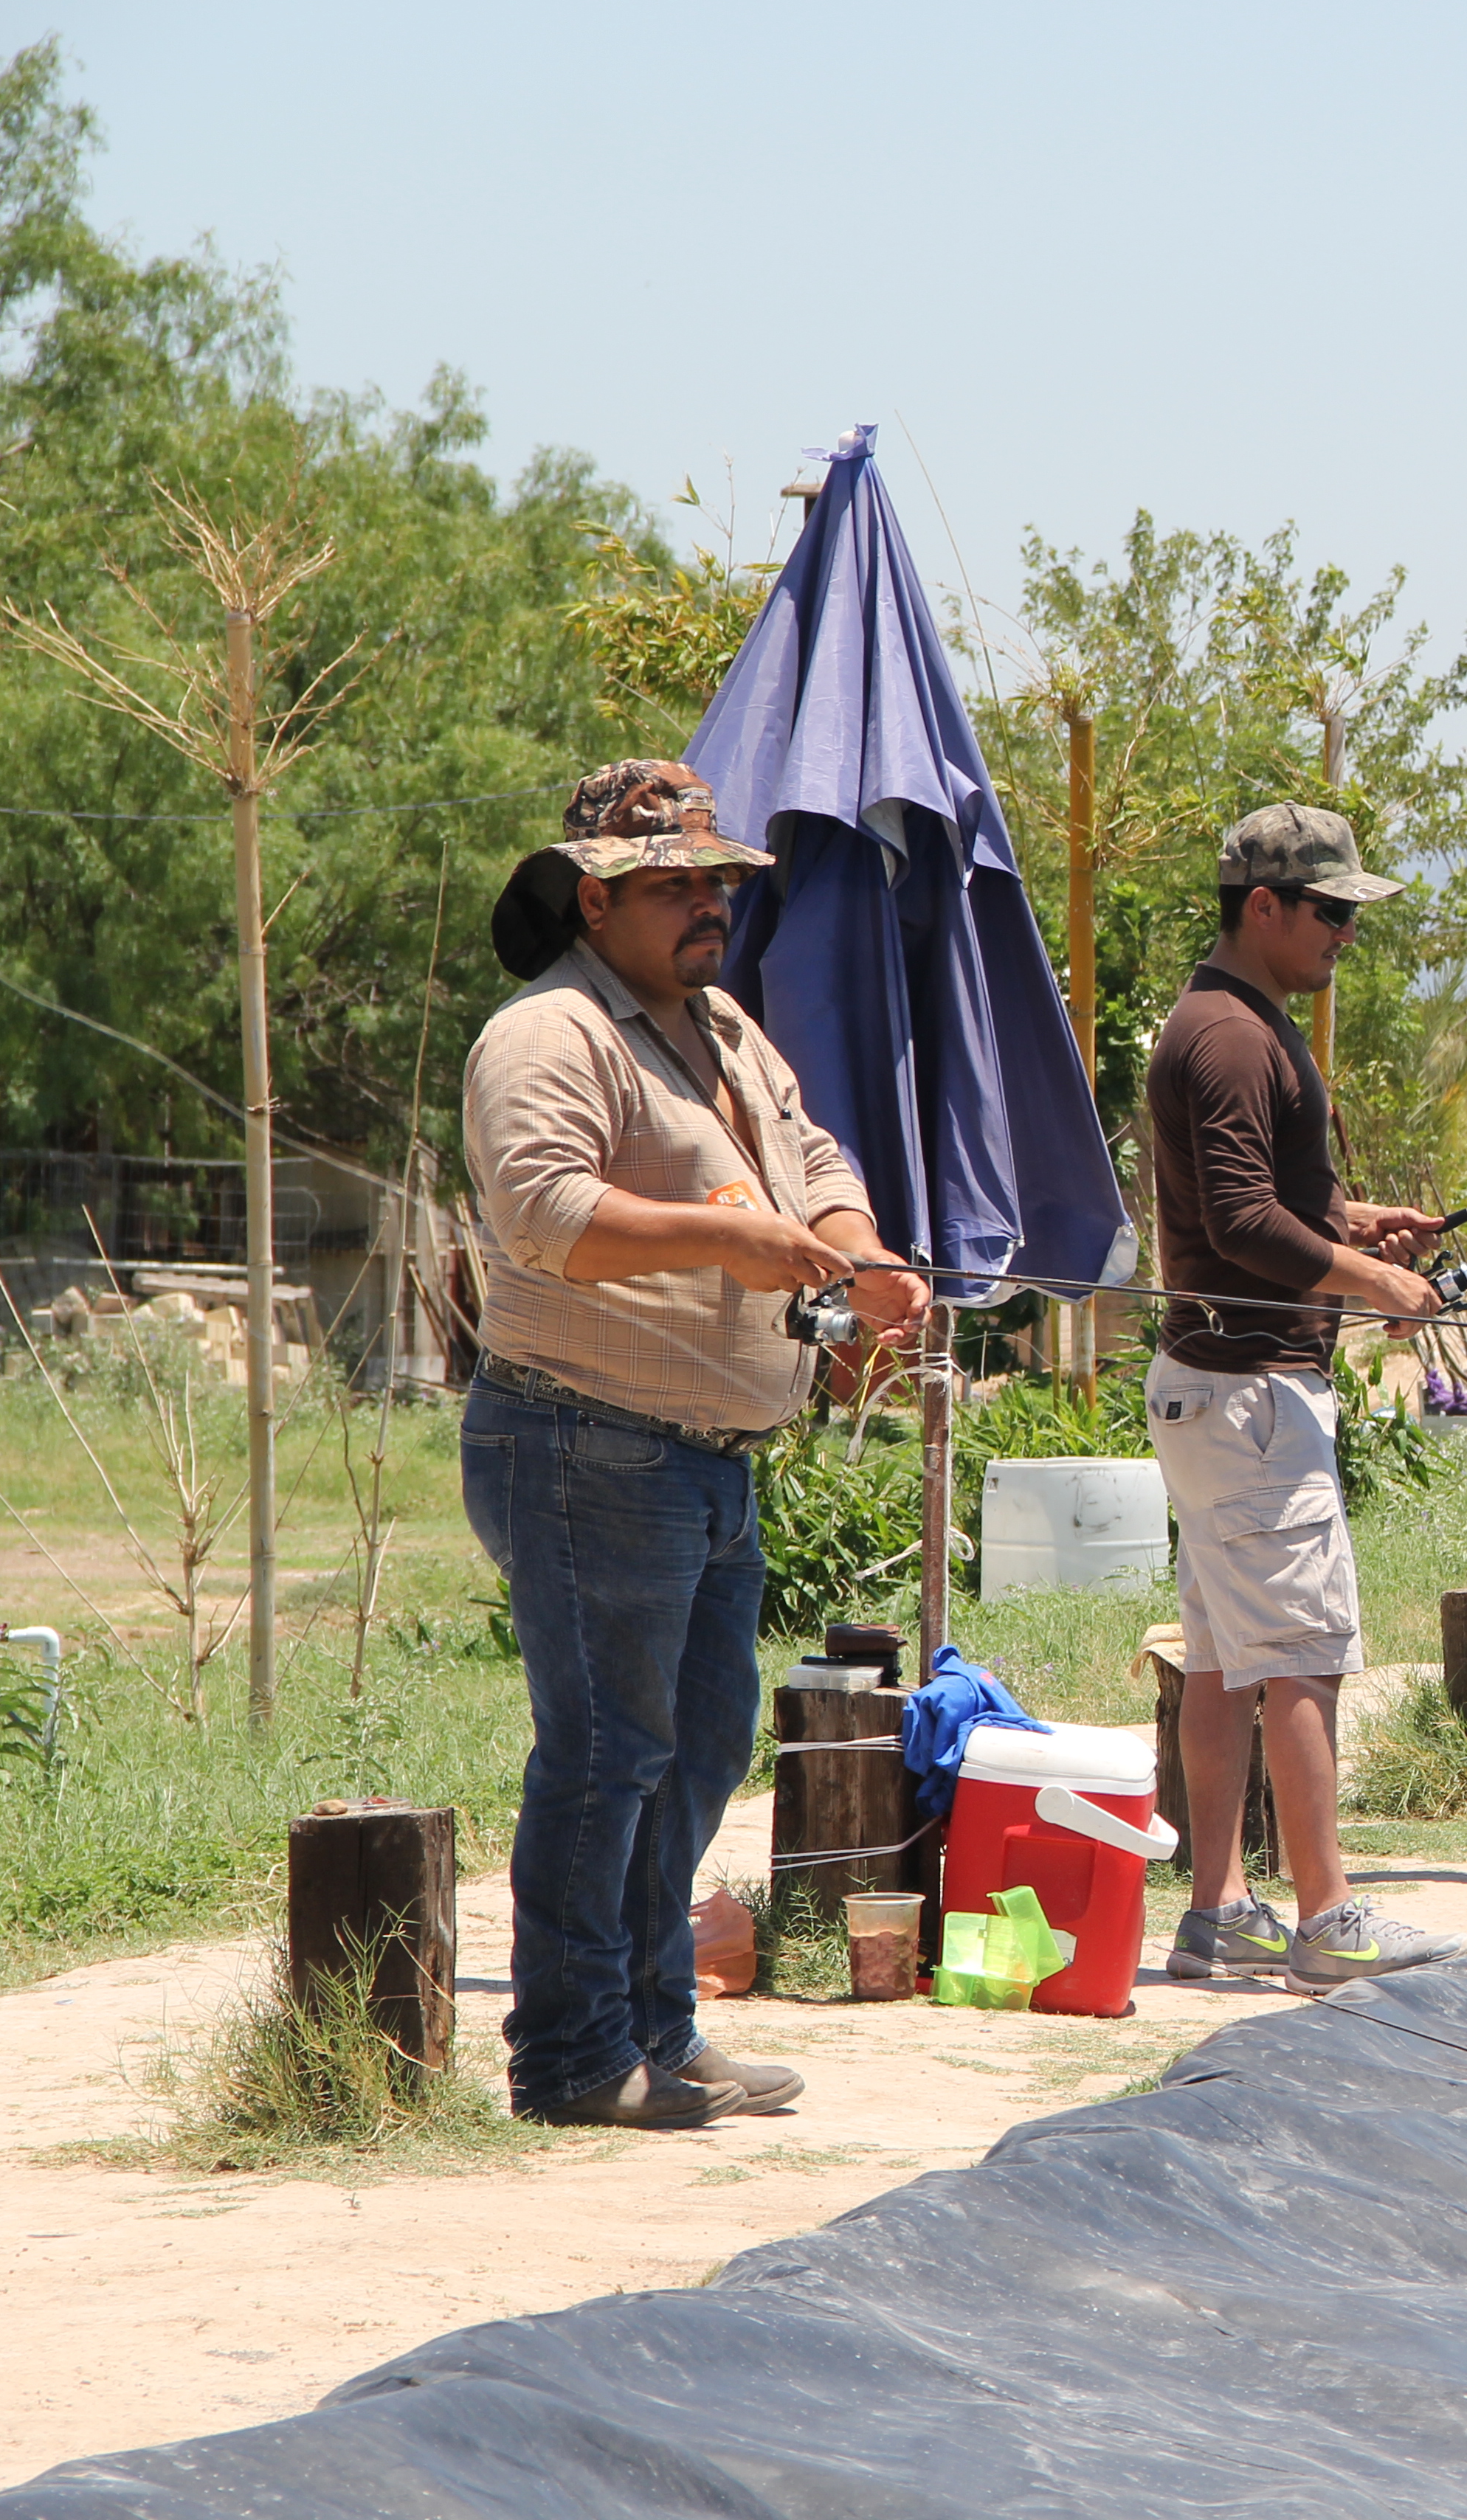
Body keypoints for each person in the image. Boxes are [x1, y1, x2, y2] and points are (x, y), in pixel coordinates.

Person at [463, 760, 930, 2129]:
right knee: (608, 1754)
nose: (706, 903)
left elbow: (817, 1156)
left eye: (716, 879)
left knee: (699, 1747)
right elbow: (544, 1215)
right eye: (669, 883)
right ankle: (566, 2059)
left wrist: (855, 1251)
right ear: (590, 903)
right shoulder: (545, 1036)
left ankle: (657, 2028)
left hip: (705, 1460)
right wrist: (732, 1237)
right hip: (580, 1440)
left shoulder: (720, 1026)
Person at [1147, 806, 1467, 1990]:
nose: (1346, 932)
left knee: (1231, 1659)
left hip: (1216, 1390)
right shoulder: (1230, 1036)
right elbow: (1234, 1222)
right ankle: (1330, 1920)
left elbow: (1257, 1202)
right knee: (1301, 1654)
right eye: (1329, 911)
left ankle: (1220, 1913)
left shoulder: (1239, 1022)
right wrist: (1376, 1276)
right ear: (1262, 907)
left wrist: (1349, 1222)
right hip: (1252, 1395)